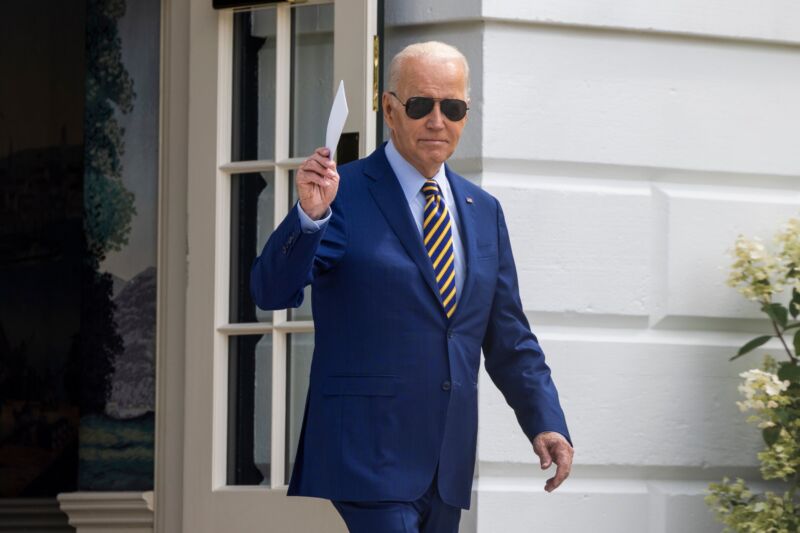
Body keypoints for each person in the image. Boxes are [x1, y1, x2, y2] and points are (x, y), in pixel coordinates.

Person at [250, 41, 573, 533]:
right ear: (390, 110)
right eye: (421, 105)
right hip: (365, 454)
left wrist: (545, 420)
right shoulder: (344, 193)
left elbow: (509, 337)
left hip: (446, 458)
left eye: (453, 108)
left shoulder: (482, 211)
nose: (437, 121)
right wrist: (309, 217)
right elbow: (270, 292)